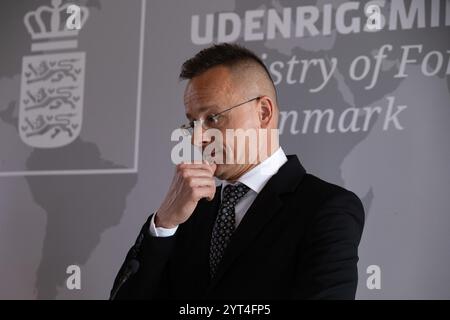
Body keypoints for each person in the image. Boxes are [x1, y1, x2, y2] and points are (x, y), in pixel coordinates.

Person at [111, 43, 365, 300]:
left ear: (263, 113)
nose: (198, 138)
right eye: (192, 123)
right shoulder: (188, 215)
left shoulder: (326, 208)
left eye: (213, 118)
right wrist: (164, 223)